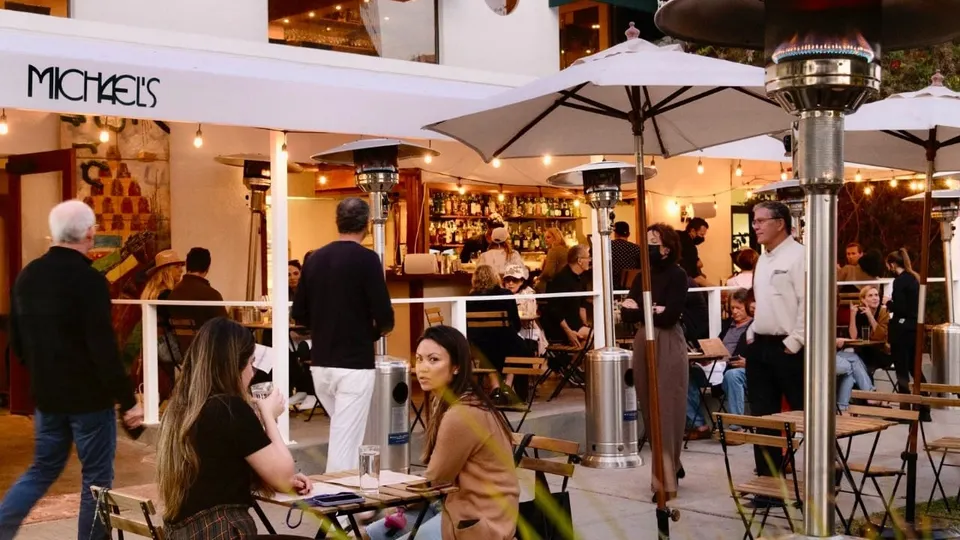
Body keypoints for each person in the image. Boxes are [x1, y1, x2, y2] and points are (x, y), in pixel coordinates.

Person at [0, 200, 143, 540]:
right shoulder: (89, 281)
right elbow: (103, 348)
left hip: (48, 397)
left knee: (42, 469)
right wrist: (128, 400)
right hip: (89, 400)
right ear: (90, 233)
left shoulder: (27, 276)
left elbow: (17, 342)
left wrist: (43, 372)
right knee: (96, 482)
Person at [157, 318, 313, 538]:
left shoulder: (179, 409)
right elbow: (283, 473)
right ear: (233, 366)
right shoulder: (229, 409)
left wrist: (285, 480)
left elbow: (225, 473)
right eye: (250, 363)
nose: (253, 372)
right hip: (220, 531)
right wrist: (267, 414)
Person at [366, 326, 519, 540]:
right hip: (450, 504)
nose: (423, 368)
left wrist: (395, 499)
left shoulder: (463, 413)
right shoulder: (448, 402)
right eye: (419, 359)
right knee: (370, 534)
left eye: (433, 360)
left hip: (479, 519)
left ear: (456, 366)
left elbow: (435, 479)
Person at [292, 197, 395, 472]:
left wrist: (325, 327)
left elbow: (299, 315)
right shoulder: (368, 260)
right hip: (354, 363)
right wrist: (368, 333)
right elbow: (385, 318)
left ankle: (353, 503)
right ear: (367, 225)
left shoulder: (314, 259)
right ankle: (337, 504)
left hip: (321, 363)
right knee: (345, 440)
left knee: (343, 433)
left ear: (337, 222)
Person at [620, 223, 688, 501]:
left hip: (667, 342)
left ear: (666, 248)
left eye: (653, 241)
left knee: (667, 407)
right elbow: (625, 314)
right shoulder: (642, 277)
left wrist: (642, 310)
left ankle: (666, 478)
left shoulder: (677, 275)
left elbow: (669, 315)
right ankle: (672, 463)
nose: (646, 246)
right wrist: (647, 310)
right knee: (648, 406)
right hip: (642, 340)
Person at [746, 201, 805, 477]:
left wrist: (795, 341)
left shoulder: (799, 256)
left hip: (789, 348)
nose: (755, 226)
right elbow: (760, 300)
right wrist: (751, 330)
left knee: (805, 412)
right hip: (761, 345)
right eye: (754, 220)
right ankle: (768, 481)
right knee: (763, 417)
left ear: (780, 223)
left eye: (760, 220)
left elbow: (810, 302)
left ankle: (827, 469)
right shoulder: (762, 258)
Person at [686, 288, 753, 437]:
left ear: (748, 307)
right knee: (686, 374)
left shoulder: (755, 328)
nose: (734, 311)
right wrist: (707, 357)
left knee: (733, 375)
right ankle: (699, 425)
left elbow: (762, 354)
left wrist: (749, 363)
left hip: (743, 370)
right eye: (732, 308)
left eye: (738, 308)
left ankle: (737, 428)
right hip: (718, 368)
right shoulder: (728, 326)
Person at [884, 248, 931, 421]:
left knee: (902, 370)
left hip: (901, 330)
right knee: (915, 368)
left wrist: (889, 303)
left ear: (892, 264)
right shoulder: (914, 279)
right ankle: (925, 407)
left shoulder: (899, 282)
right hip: (914, 328)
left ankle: (905, 410)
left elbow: (901, 308)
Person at [467, 265, 526, 401]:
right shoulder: (506, 294)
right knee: (520, 346)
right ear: (495, 277)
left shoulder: (470, 298)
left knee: (487, 349)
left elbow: (467, 327)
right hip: (505, 341)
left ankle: (495, 386)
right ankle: (508, 384)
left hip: (479, 344)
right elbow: (516, 324)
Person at [166, 247, 228, 352]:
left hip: (183, 353)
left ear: (187, 266)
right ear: (207, 268)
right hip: (208, 353)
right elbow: (226, 329)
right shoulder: (211, 295)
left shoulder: (173, 294)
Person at [543, 245, 592, 347]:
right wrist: (569, 331)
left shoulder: (581, 278)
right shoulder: (561, 279)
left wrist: (585, 324)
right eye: (588, 257)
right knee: (594, 338)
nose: (590, 260)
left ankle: (577, 362)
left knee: (597, 337)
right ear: (579, 261)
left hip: (575, 324)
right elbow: (555, 310)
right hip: (561, 327)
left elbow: (581, 306)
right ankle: (576, 362)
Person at [848, 284, 891, 379]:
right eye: (870, 296)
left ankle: (868, 390)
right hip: (864, 351)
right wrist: (852, 315)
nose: (875, 298)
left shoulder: (883, 312)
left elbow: (881, 336)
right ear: (863, 300)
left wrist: (870, 316)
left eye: (876, 295)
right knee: (859, 357)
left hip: (882, 352)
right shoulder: (859, 312)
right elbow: (853, 336)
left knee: (865, 357)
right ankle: (867, 389)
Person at [611, 221, 642, 289]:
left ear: (615, 233)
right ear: (628, 234)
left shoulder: (607, 246)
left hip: (610, 285)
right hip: (631, 287)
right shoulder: (637, 248)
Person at [678, 217, 709, 282]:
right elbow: (694, 275)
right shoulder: (689, 246)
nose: (702, 238)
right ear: (692, 231)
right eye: (701, 234)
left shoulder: (678, 234)